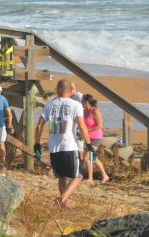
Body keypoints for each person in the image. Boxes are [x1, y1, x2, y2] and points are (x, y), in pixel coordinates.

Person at [34, 79, 95, 209]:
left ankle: (63, 205)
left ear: (59, 89)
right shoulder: (75, 105)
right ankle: (62, 199)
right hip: (69, 147)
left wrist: (37, 144)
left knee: (62, 177)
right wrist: (89, 144)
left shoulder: (49, 105)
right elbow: (82, 126)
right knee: (79, 175)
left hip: (54, 148)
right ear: (70, 90)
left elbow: (39, 125)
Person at [81, 94, 110, 184]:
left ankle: (90, 178)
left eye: (82, 101)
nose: (81, 103)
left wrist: (87, 130)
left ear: (86, 102)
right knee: (94, 159)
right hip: (87, 138)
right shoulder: (84, 111)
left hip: (96, 137)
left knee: (87, 158)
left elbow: (99, 126)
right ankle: (105, 176)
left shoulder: (95, 110)